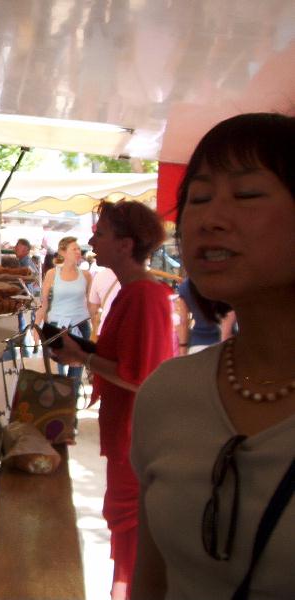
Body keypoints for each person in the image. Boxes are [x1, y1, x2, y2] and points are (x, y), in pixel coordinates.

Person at [131, 113, 295, 600]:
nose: (207, 218)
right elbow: (151, 578)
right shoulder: (167, 393)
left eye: (246, 194)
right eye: (198, 199)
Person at [50, 201, 174, 600]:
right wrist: (83, 350)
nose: (90, 241)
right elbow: (124, 358)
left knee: (133, 535)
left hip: (139, 437)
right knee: (126, 531)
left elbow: (140, 376)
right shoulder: (132, 292)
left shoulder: (144, 295)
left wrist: (82, 355)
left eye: (100, 234)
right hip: (128, 434)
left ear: (125, 243)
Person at [35, 236, 94, 383]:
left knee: (76, 371)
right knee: (57, 370)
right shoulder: (52, 274)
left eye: (79, 249)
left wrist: (96, 326)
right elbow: (44, 303)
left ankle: (72, 402)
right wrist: (36, 326)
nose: (78, 251)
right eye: (74, 249)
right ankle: (60, 400)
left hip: (81, 325)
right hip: (57, 324)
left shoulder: (86, 275)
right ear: (63, 252)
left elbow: (90, 304)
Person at [175, 276, 236, 354]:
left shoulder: (185, 287)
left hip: (198, 344)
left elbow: (183, 322)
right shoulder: (225, 281)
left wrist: (183, 349)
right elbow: (230, 313)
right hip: (226, 344)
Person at [15, 238, 40, 356]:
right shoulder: (23, 262)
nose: (15, 248)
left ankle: (26, 351)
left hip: (25, 298)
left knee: (23, 325)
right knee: (22, 324)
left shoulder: (26, 263)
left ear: (26, 250)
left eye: (18, 246)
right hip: (25, 297)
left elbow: (33, 280)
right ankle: (25, 349)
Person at [89, 266, 120, 342]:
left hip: (103, 330)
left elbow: (93, 307)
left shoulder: (100, 275)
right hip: (127, 333)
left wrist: (95, 326)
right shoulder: (140, 277)